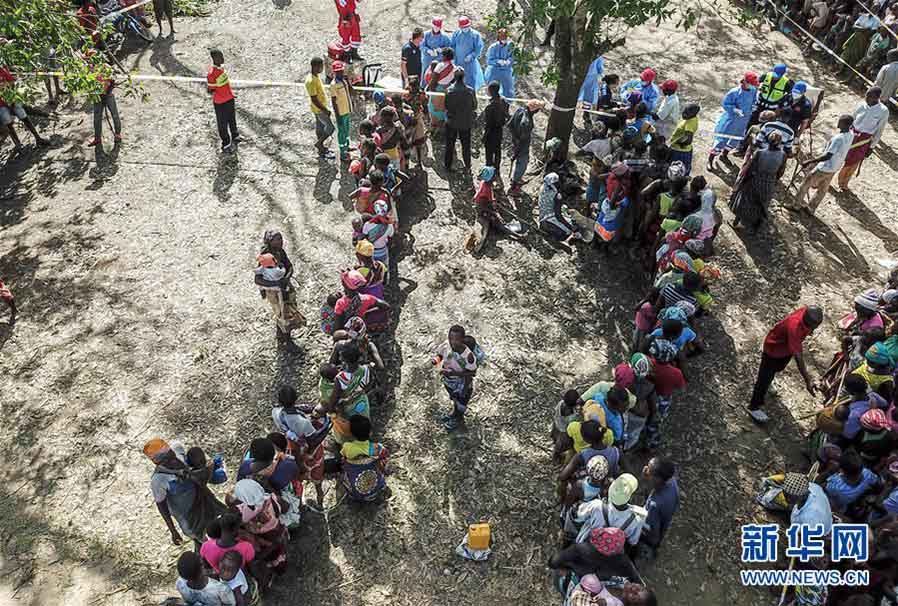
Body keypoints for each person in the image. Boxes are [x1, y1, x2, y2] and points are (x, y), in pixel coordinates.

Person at [747, 305, 823, 423]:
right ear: (808, 322)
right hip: (773, 350)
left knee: (778, 368)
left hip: (785, 350)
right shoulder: (794, 328)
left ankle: (768, 382)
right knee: (764, 379)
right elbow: (798, 357)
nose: (814, 329)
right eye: (814, 327)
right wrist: (808, 380)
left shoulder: (807, 312)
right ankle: (754, 406)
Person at [144, 438, 225, 547]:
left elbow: (195, 459)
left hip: (207, 503)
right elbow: (162, 508)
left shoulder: (177, 453)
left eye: (171, 455)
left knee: (225, 525)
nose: (173, 461)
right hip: (191, 519)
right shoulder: (159, 481)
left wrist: (204, 468)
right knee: (211, 542)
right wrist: (173, 531)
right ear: (158, 463)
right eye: (167, 460)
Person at [791, 114, 854, 214]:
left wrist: (810, 161)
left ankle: (796, 205)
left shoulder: (839, 138)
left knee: (805, 184)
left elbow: (827, 156)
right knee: (823, 189)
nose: (838, 123)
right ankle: (811, 208)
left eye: (840, 121)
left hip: (825, 167)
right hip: (835, 167)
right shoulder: (851, 135)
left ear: (845, 124)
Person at [255, 230, 305, 351]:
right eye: (277, 240)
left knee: (286, 312)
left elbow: (290, 266)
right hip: (275, 292)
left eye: (281, 239)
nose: (280, 242)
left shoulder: (280, 252)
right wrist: (276, 283)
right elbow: (258, 279)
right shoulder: (265, 257)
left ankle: (281, 335)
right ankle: (287, 342)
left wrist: (286, 278)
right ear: (270, 242)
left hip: (285, 288)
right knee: (284, 314)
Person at [226, 479, 288, 574]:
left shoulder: (243, 513)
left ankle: (273, 564)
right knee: (278, 548)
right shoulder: (271, 498)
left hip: (262, 539)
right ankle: (279, 561)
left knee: (269, 553)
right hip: (278, 531)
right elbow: (285, 506)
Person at [728, 130, 786, 232]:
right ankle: (755, 227)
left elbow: (750, 168)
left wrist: (743, 181)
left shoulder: (760, 153)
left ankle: (736, 222)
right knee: (762, 205)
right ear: (780, 143)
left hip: (755, 180)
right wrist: (774, 180)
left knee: (744, 201)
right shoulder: (783, 155)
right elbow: (781, 171)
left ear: (768, 140)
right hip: (769, 182)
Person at [574, 473, 645, 546]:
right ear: (630, 496)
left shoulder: (596, 506)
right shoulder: (636, 520)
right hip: (610, 555)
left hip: (587, 546)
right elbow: (633, 542)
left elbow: (578, 516)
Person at [838, 87, 888, 190]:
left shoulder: (883, 111)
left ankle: (844, 182)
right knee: (840, 156)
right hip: (852, 135)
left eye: (870, 96)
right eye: (866, 95)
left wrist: (872, 147)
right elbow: (852, 119)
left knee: (854, 162)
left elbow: (879, 130)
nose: (866, 98)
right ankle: (831, 178)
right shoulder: (861, 105)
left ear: (877, 98)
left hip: (864, 140)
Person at [708, 72, 758, 170]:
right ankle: (710, 160)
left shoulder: (753, 90)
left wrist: (753, 107)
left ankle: (724, 155)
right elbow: (725, 104)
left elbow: (754, 101)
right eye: (751, 83)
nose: (752, 86)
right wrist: (735, 110)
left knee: (735, 139)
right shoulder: (734, 92)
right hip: (731, 120)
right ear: (745, 82)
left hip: (743, 121)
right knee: (721, 140)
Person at [433, 324, 478, 430]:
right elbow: (440, 355)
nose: (453, 342)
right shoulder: (446, 345)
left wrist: (454, 374)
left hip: (463, 385)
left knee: (461, 403)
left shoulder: (468, 356)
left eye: (456, 339)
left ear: (462, 339)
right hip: (449, 382)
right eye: (450, 338)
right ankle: (454, 413)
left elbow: (472, 373)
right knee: (454, 399)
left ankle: (458, 420)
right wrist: (436, 360)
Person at [340, 414, 390, 501]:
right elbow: (385, 456)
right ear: (370, 432)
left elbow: (343, 458)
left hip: (356, 493)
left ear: (351, 434)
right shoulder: (377, 448)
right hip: (376, 487)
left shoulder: (347, 447)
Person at [0, 66, 50, 151]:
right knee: (7, 120)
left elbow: (12, 81)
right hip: (1, 105)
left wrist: (6, 85)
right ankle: (18, 144)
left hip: (11, 99)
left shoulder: (1, 70)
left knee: (22, 114)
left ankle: (38, 138)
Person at [639, 457, 679, 560]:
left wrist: (652, 538)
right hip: (666, 515)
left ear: (658, 479)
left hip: (654, 523)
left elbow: (652, 528)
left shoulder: (655, 504)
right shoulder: (671, 480)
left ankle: (652, 550)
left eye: (649, 470)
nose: (646, 469)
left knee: (653, 537)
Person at [744, 63, 793, 145]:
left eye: (778, 75)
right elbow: (756, 85)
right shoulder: (765, 76)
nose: (775, 77)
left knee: (765, 128)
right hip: (760, 105)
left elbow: (789, 98)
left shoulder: (787, 83)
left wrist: (780, 108)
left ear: (783, 74)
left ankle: (758, 145)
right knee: (751, 124)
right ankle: (743, 145)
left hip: (772, 110)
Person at [443, 68, 477, 172]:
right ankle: (467, 165)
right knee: (466, 146)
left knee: (450, 145)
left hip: (452, 122)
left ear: (454, 77)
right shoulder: (470, 91)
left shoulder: (449, 90)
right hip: (465, 122)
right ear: (464, 77)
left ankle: (448, 166)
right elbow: (474, 106)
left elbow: (446, 106)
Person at [508, 99, 543, 196]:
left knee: (520, 164)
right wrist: (517, 151)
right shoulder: (527, 123)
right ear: (534, 110)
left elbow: (510, 125)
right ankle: (514, 187)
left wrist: (514, 138)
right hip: (522, 146)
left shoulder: (520, 110)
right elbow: (522, 140)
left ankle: (516, 178)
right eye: (538, 109)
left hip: (516, 142)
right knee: (522, 164)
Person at [206, 50, 238, 154]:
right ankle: (226, 143)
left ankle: (235, 135)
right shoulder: (211, 74)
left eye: (222, 56)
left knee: (232, 119)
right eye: (220, 57)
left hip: (229, 98)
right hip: (220, 103)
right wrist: (214, 87)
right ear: (214, 59)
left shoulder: (222, 69)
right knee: (222, 124)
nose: (223, 59)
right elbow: (210, 90)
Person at [782, 472, 833, 536]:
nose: (787, 499)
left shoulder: (810, 517)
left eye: (790, 497)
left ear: (800, 496)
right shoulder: (812, 487)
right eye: (785, 495)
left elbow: (811, 536)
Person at [87, 58, 122, 147]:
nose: (89, 62)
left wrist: (104, 92)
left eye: (90, 60)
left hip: (108, 95)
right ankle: (97, 138)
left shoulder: (105, 67)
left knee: (114, 114)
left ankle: (118, 134)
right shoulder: (90, 69)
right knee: (97, 118)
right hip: (97, 96)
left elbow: (108, 82)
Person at [306, 57, 335, 160]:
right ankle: (319, 143)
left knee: (320, 128)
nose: (322, 69)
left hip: (318, 109)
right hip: (319, 110)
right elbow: (314, 99)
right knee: (331, 128)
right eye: (321, 66)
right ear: (315, 66)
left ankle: (321, 148)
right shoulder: (311, 81)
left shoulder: (315, 76)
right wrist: (325, 110)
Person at [424, 48, 456, 133]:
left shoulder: (440, 65)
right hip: (446, 90)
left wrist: (429, 90)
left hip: (437, 89)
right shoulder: (454, 67)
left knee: (433, 107)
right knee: (443, 108)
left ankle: (433, 126)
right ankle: (442, 127)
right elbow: (453, 81)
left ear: (444, 56)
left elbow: (434, 79)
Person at [537, 172, 576, 242]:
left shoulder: (542, 187)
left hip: (541, 219)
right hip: (548, 221)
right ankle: (555, 238)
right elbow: (558, 215)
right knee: (568, 231)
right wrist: (571, 227)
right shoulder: (556, 195)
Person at [450, 16, 485, 91]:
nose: (464, 28)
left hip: (470, 64)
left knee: (470, 83)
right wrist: (453, 58)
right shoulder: (456, 34)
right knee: (457, 82)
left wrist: (471, 56)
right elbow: (452, 46)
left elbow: (478, 48)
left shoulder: (475, 35)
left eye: (466, 26)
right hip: (458, 62)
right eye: (463, 27)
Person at [482, 81, 508, 174]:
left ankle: (488, 170)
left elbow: (488, 123)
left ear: (491, 91)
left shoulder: (490, 107)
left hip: (491, 132)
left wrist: (484, 136)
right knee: (497, 150)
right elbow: (506, 114)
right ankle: (497, 169)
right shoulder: (504, 101)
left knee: (489, 152)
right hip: (499, 130)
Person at [330, 61, 353, 162]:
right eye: (339, 71)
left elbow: (351, 91)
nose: (341, 73)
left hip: (347, 109)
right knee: (342, 132)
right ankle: (343, 152)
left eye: (342, 71)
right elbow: (334, 101)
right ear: (335, 72)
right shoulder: (333, 85)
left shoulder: (344, 81)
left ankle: (347, 147)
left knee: (347, 129)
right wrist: (337, 115)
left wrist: (349, 83)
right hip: (341, 112)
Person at [667, 103, 700, 175]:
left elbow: (688, 140)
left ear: (693, 114)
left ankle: (676, 181)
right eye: (684, 112)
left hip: (680, 151)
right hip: (683, 150)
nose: (684, 114)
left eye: (687, 114)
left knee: (676, 169)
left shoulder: (689, 124)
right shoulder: (692, 119)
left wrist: (679, 143)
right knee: (682, 168)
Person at [484, 28, 515, 98]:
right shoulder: (493, 47)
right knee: (492, 89)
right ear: (498, 37)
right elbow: (489, 61)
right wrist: (497, 61)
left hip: (506, 71)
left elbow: (513, 56)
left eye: (505, 36)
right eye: (501, 37)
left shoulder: (511, 46)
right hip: (494, 70)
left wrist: (509, 61)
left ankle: (507, 103)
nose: (503, 38)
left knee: (508, 89)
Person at [578, 55, 605, 127]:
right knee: (575, 94)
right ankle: (570, 111)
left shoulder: (597, 53)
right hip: (580, 75)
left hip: (591, 77)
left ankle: (586, 114)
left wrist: (601, 76)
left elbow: (599, 67)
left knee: (588, 97)